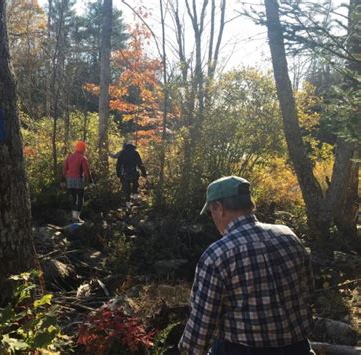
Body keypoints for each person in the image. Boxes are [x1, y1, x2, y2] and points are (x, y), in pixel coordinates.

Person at [179, 176, 314, 355]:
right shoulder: (288, 236)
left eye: (211, 212)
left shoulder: (217, 255)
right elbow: (309, 293)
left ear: (219, 208)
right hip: (298, 348)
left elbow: (200, 329)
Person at [63, 141, 90, 223]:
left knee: (74, 198)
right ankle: (76, 218)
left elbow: (64, 169)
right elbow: (86, 171)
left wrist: (62, 180)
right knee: (81, 198)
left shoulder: (69, 157)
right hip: (78, 179)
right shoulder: (83, 158)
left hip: (69, 180)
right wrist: (90, 181)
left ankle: (73, 216)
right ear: (83, 149)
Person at [116, 142, 147, 208]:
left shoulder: (122, 153)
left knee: (127, 188)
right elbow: (140, 164)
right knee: (135, 184)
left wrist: (118, 173)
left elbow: (118, 164)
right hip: (134, 172)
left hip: (125, 173)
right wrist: (144, 173)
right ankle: (135, 196)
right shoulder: (135, 153)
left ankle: (128, 203)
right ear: (133, 147)